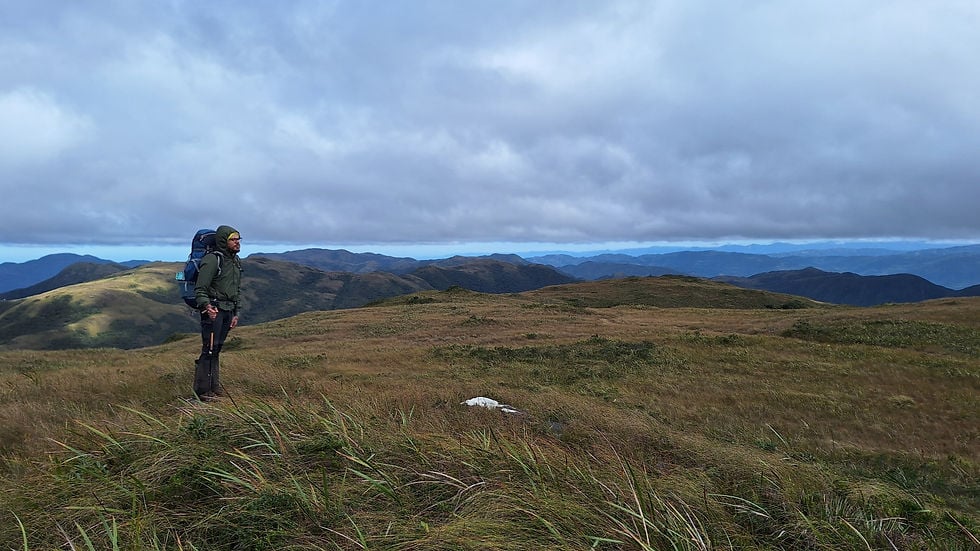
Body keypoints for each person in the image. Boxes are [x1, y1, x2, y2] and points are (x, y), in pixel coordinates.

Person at [193, 225, 243, 400]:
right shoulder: (213, 260)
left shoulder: (235, 261)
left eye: (238, 239)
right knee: (209, 349)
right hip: (214, 310)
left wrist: (236, 312)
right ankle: (202, 392)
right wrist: (207, 306)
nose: (237, 242)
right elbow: (200, 288)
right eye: (233, 239)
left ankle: (214, 388)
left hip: (228, 311)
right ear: (224, 241)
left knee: (217, 349)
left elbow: (235, 289)